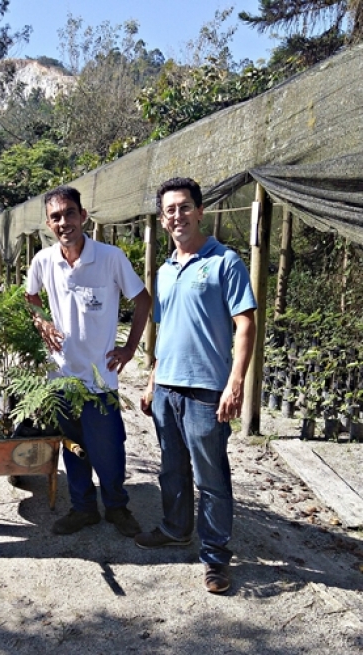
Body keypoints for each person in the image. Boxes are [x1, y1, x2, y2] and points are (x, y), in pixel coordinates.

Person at [134, 177, 256, 594]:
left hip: (207, 391)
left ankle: (216, 558)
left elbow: (245, 324)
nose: (177, 215)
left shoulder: (225, 261)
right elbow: (165, 330)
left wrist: (235, 383)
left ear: (200, 211)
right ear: (163, 218)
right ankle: (175, 528)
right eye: (170, 210)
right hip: (167, 390)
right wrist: (152, 381)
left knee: (211, 478)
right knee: (172, 468)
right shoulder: (165, 271)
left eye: (185, 207)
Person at [26, 185, 151, 538]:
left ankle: (116, 507)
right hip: (62, 376)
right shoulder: (43, 261)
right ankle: (83, 509)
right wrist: (42, 321)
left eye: (69, 213)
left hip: (100, 377)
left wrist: (128, 349)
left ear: (83, 216)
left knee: (108, 449)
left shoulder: (110, 258)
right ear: (48, 224)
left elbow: (143, 300)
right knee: (74, 448)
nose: (63, 221)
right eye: (55, 217)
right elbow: (30, 295)